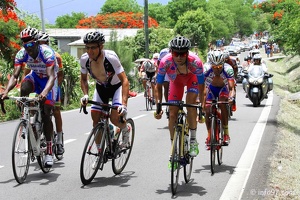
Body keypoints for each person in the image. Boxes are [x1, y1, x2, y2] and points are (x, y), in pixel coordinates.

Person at [0, 27, 58, 167]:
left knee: (46, 112)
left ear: (37, 43)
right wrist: (6, 91)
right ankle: (25, 119)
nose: (28, 48)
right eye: (25, 45)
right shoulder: (22, 54)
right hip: (35, 77)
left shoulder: (47, 53)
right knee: (25, 86)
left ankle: (49, 151)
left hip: (48, 81)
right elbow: (15, 76)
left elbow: (51, 77)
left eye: (31, 44)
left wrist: (44, 93)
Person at [154, 36, 205, 166]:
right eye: (176, 53)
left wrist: (203, 106)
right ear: (171, 52)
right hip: (176, 81)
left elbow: (201, 86)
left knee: (191, 104)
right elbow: (158, 86)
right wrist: (158, 105)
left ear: (188, 53)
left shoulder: (196, 62)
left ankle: (193, 140)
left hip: (191, 80)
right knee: (172, 113)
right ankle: (174, 150)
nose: (180, 57)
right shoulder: (165, 62)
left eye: (183, 54)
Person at [79, 31, 130, 154]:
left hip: (116, 87)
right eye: (87, 48)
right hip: (101, 87)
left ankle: (125, 129)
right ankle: (100, 152)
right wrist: (85, 95)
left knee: (114, 118)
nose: (90, 51)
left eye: (93, 48)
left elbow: (125, 80)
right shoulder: (84, 59)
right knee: (95, 119)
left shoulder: (110, 58)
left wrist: (124, 104)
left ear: (101, 47)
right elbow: (83, 79)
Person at [37, 31, 65, 155]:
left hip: (52, 84)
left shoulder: (56, 56)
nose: (42, 46)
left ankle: (59, 140)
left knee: (56, 110)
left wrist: (53, 92)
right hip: (39, 84)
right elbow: (26, 73)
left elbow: (60, 76)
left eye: (44, 43)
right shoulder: (34, 55)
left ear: (48, 43)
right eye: (39, 44)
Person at [204, 49, 235, 149]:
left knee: (223, 103)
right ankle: (209, 135)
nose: (216, 69)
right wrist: (201, 100)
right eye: (214, 67)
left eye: (219, 67)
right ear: (210, 64)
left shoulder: (228, 69)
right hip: (211, 89)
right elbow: (202, 88)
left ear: (223, 64)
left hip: (223, 89)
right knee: (207, 108)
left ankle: (226, 133)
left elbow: (231, 88)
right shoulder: (206, 69)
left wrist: (231, 98)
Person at [157, 47, 171, 118]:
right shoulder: (163, 52)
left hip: (175, 71)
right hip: (165, 70)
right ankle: (168, 105)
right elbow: (158, 62)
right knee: (166, 87)